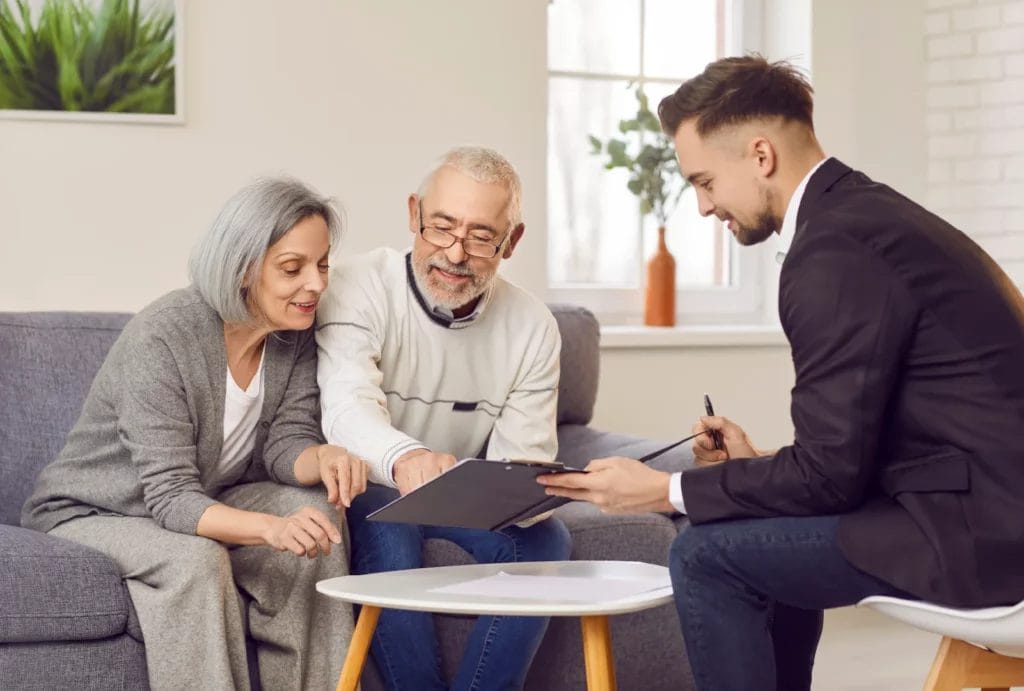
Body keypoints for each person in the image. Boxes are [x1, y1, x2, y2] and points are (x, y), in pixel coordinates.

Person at [538, 55, 1024, 691]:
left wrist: (662, 491)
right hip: (984, 506)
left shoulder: (833, 250)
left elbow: (828, 478)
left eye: (706, 181)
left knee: (706, 556)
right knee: (754, 531)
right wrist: (757, 464)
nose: (706, 206)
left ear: (761, 154)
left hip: (984, 537)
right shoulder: (867, 218)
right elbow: (848, 458)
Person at [22, 177, 369, 691]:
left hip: (208, 495)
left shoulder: (292, 334)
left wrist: (323, 457)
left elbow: (284, 443)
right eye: (293, 268)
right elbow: (170, 497)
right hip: (97, 511)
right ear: (243, 269)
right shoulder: (163, 336)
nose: (315, 284)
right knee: (197, 562)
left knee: (315, 518)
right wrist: (268, 529)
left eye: (321, 265)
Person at [316, 146, 572, 691]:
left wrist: (533, 489)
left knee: (546, 542)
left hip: (461, 497)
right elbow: (345, 407)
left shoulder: (532, 325)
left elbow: (519, 458)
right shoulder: (357, 284)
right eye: (441, 227)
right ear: (414, 214)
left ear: (512, 241)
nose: (455, 253)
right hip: (372, 484)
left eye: (481, 237)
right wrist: (405, 458)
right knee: (389, 524)